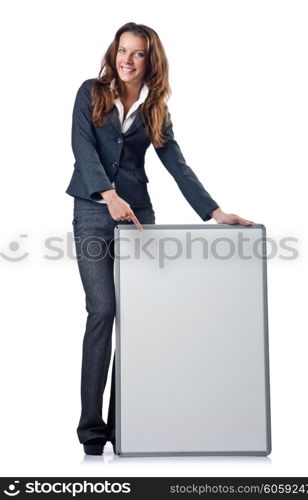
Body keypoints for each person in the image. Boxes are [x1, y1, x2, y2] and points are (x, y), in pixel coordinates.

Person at [65, 22, 254, 456]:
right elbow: (83, 148)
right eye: (122, 51)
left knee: (136, 319)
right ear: (114, 53)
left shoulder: (155, 108)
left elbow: (177, 164)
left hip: (138, 218)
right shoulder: (90, 92)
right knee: (103, 310)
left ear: (151, 61)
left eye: (138, 54)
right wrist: (107, 195)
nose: (127, 61)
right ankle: (92, 430)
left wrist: (214, 211)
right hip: (93, 212)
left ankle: (125, 426)